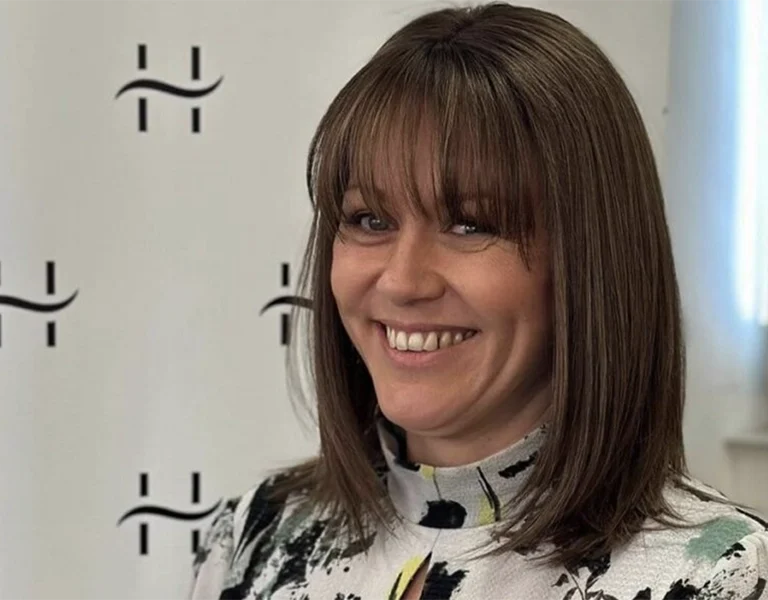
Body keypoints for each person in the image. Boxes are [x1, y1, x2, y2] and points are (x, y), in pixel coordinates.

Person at [188, 3, 768, 599]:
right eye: (369, 219)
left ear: (591, 260)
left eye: (470, 224)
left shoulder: (718, 576)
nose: (403, 281)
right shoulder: (256, 538)